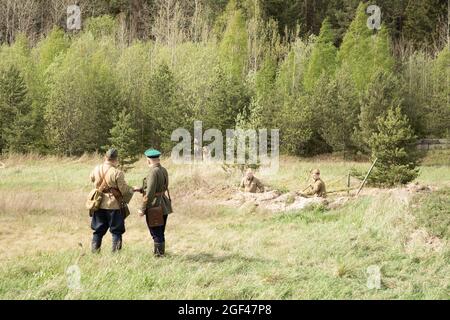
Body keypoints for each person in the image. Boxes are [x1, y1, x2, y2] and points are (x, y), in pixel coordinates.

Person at [89, 148, 136, 253]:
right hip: (113, 205)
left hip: (98, 203)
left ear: (105, 157)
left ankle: (94, 253)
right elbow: (123, 190)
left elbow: (91, 179)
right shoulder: (117, 172)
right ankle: (116, 256)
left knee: (98, 231)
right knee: (116, 231)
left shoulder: (96, 169)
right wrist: (133, 189)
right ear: (116, 159)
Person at [137, 149, 173, 257]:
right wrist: (141, 189)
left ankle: (159, 256)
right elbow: (161, 187)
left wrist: (142, 208)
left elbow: (150, 192)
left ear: (148, 160)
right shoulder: (163, 169)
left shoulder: (153, 171)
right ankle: (160, 254)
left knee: (156, 232)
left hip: (154, 206)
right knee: (160, 231)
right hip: (163, 204)